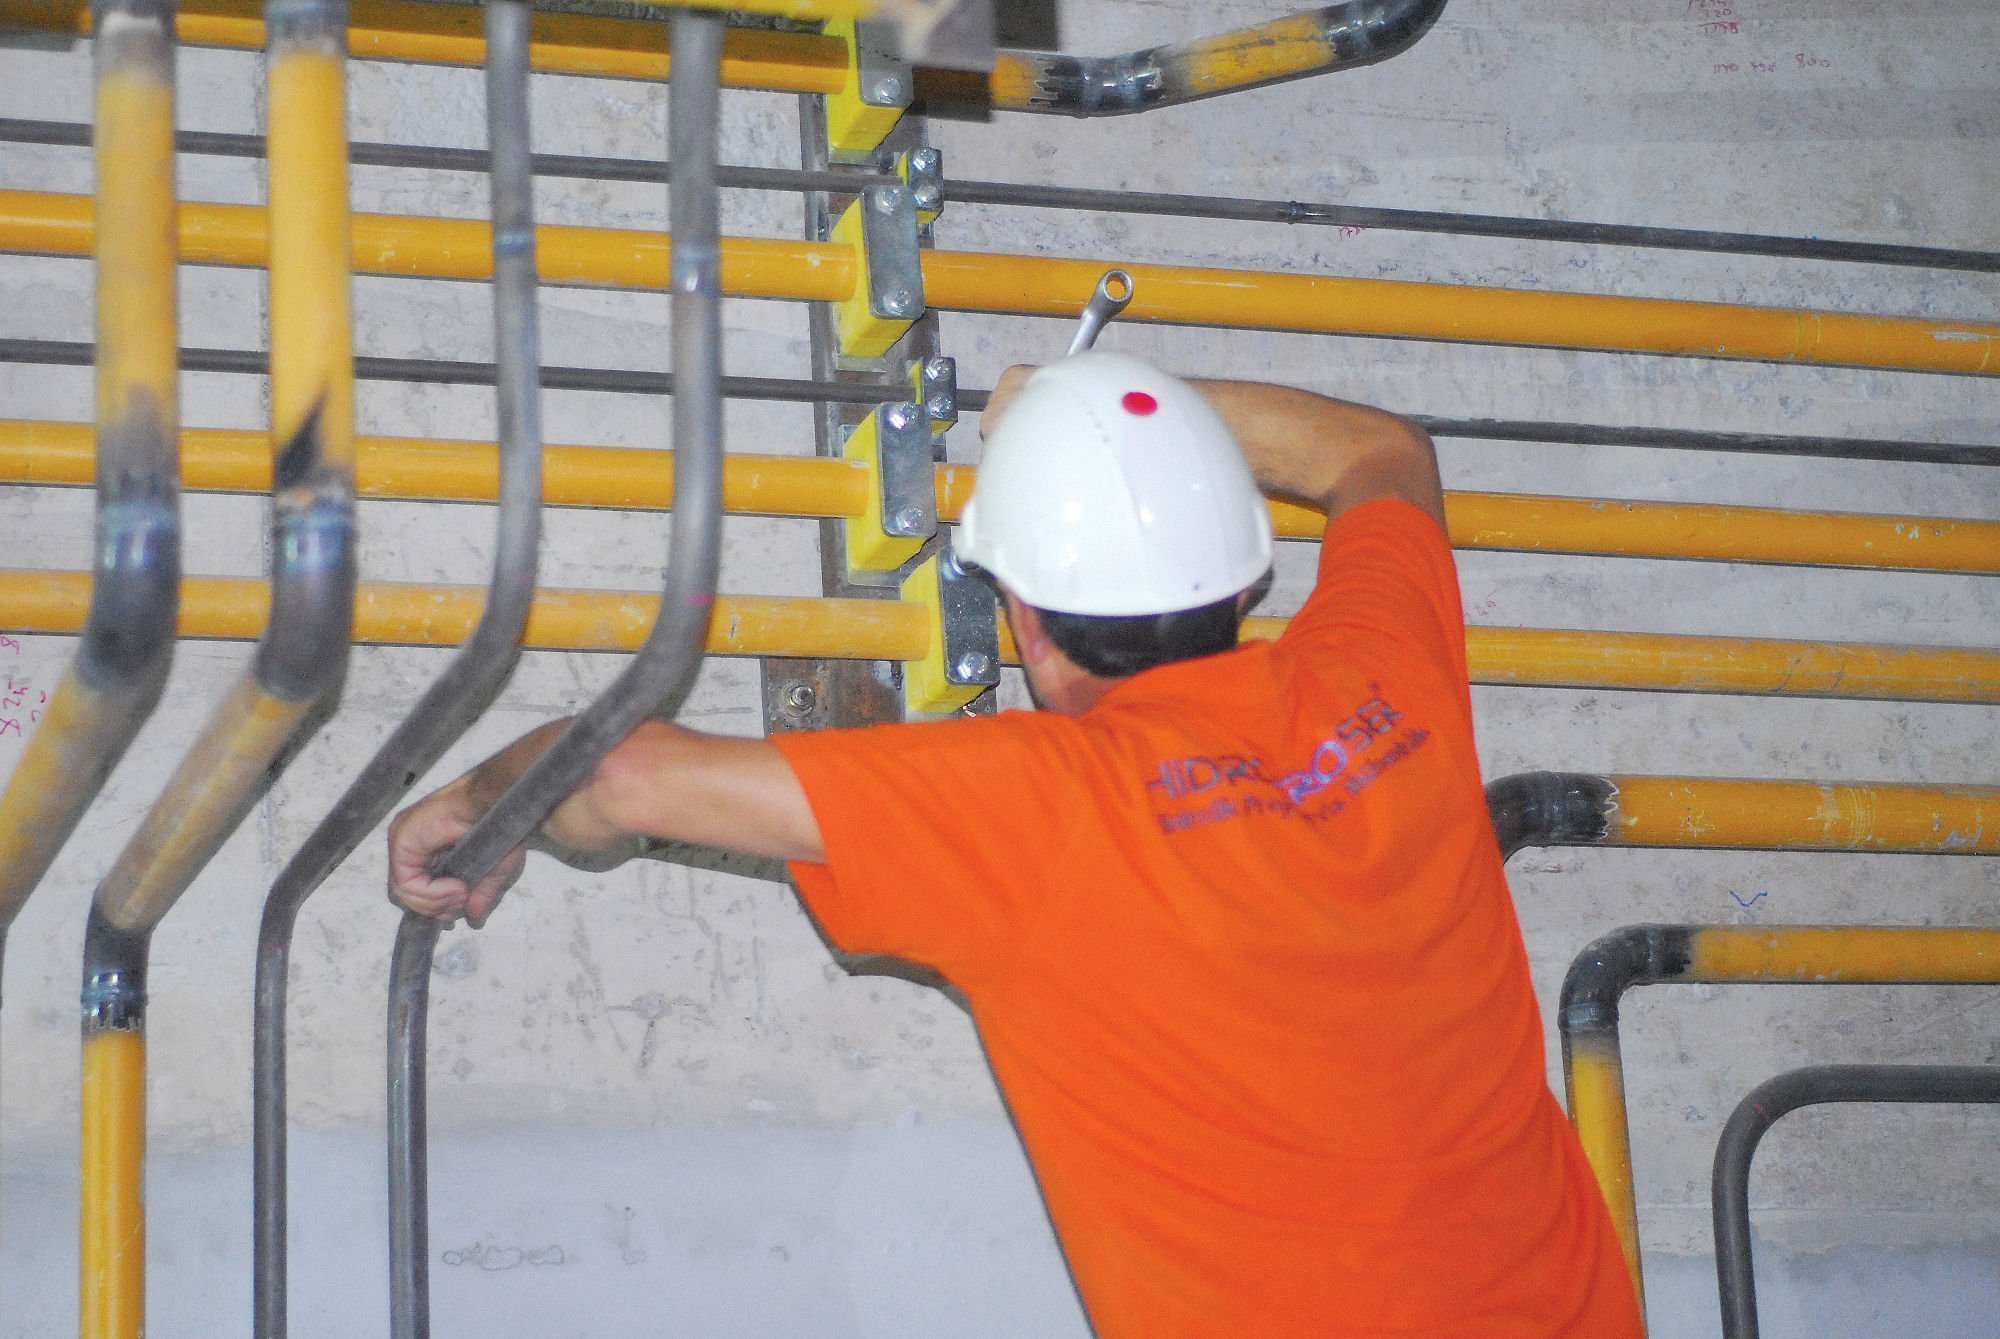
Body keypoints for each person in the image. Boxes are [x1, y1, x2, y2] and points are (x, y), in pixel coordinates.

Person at [389, 353, 1643, 1337]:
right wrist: (1103, 408)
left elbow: (613, 773)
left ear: (1024, 622)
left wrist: (473, 807)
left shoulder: (1036, 807)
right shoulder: (1382, 683)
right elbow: (1382, 454)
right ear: (1240, 576)